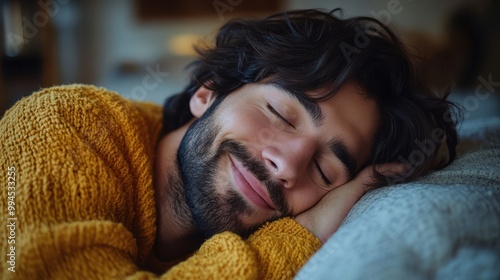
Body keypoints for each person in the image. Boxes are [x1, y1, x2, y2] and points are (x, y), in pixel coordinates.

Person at [0, 9, 458, 279]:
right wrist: (303, 233)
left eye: (325, 171)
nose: (288, 165)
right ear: (208, 91)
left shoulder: (260, 227)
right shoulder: (62, 123)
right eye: (280, 113)